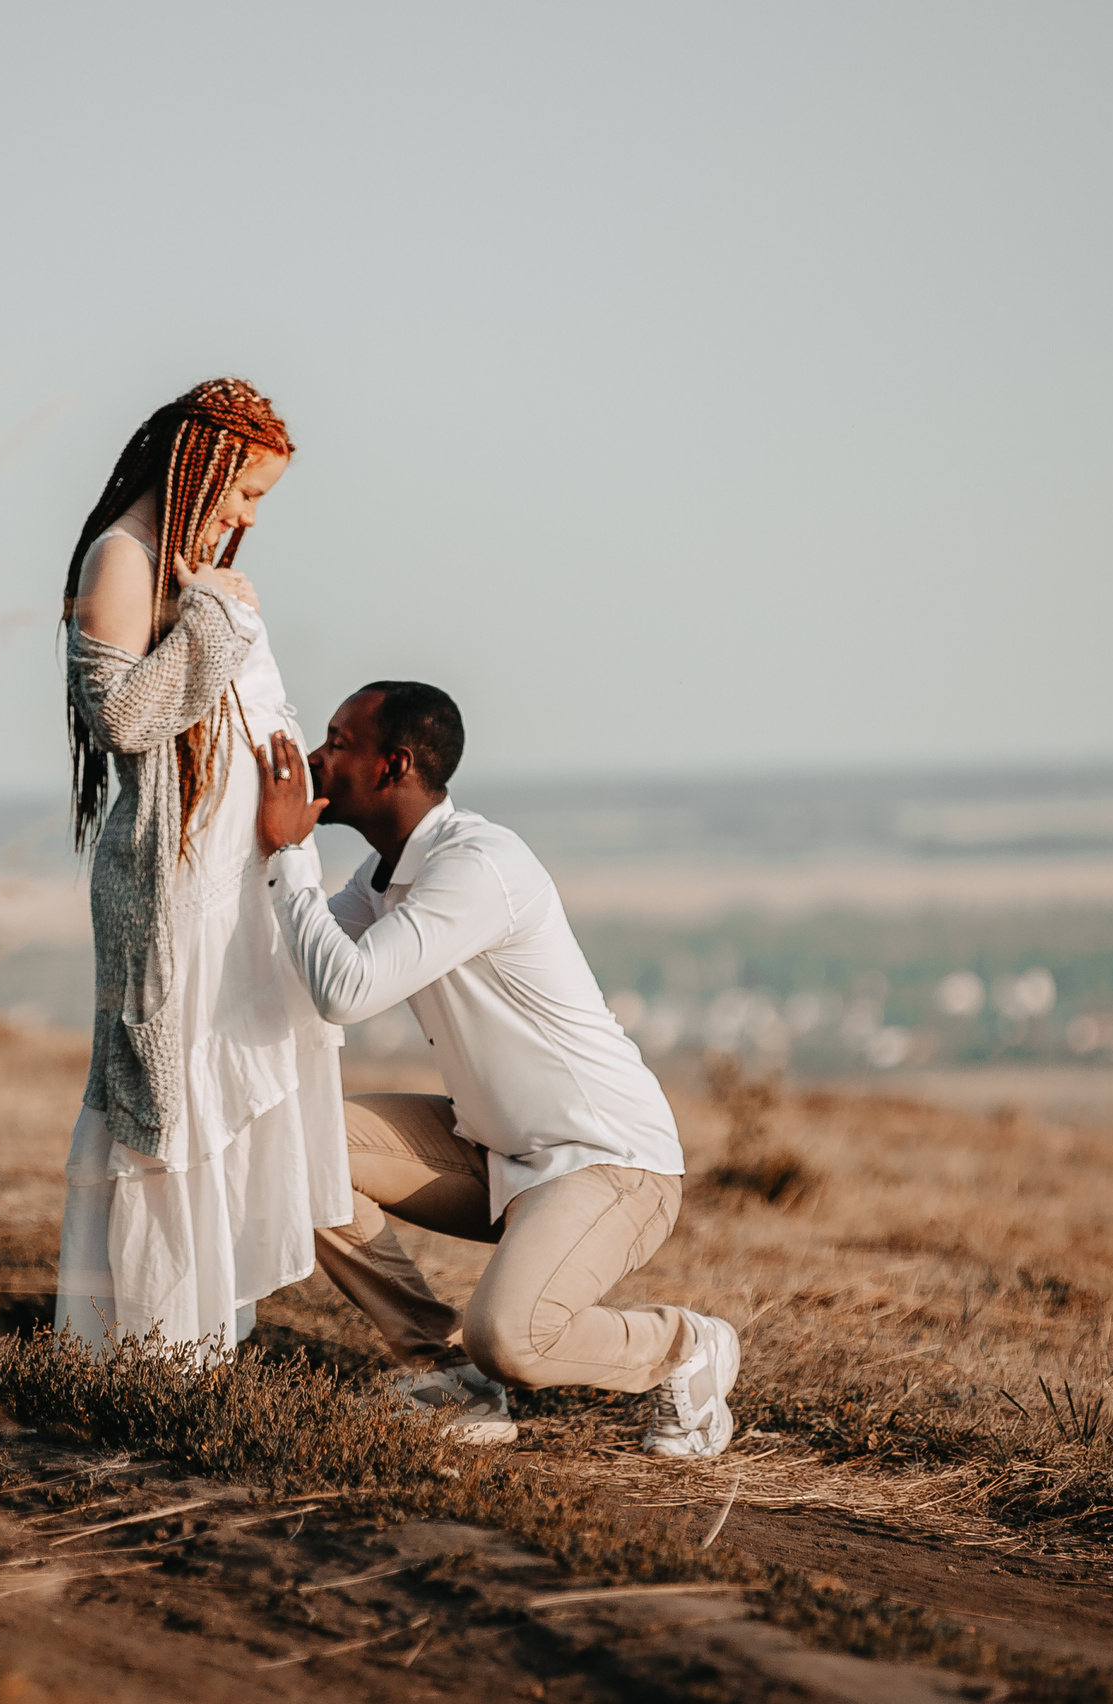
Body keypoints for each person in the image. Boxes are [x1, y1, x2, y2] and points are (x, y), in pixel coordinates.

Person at [249, 684, 741, 1457]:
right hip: (492, 1150)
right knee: (298, 1144)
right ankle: (451, 1378)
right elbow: (297, 974)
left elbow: (346, 992)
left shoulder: (478, 865)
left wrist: (285, 852)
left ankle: (685, 1346)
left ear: (393, 765)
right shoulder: (383, 876)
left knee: (511, 1337)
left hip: (609, 1162)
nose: (315, 757)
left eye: (338, 742)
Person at [53, 379, 349, 1359]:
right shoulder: (123, 557)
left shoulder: (193, 565)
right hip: (174, 893)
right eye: (246, 491)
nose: (249, 516)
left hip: (234, 890)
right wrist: (216, 619)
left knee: (217, 1101)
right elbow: (123, 717)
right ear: (203, 462)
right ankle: (149, 1352)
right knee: (168, 1110)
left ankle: (199, 1344)